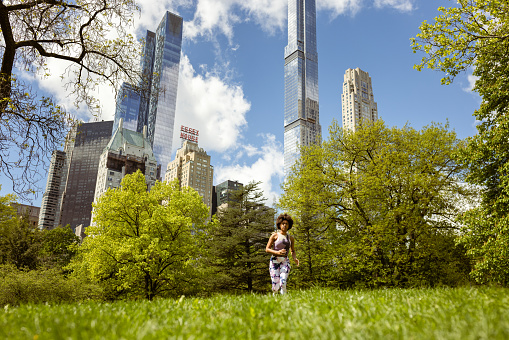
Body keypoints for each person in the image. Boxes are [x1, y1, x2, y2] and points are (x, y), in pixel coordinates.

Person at [266, 213, 299, 295]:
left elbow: (293, 250)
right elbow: (267, 249)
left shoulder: (291, 238)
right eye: (283, 223)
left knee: (283, 282)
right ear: (279, 224)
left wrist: (294, 258)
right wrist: (277, 252)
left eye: (286, 224)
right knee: (275, 286)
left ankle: (284, 300)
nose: (284, 225)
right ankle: (275, 300)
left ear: (289, 225)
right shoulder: (275, 236)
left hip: (285, 261)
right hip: (274, 262)